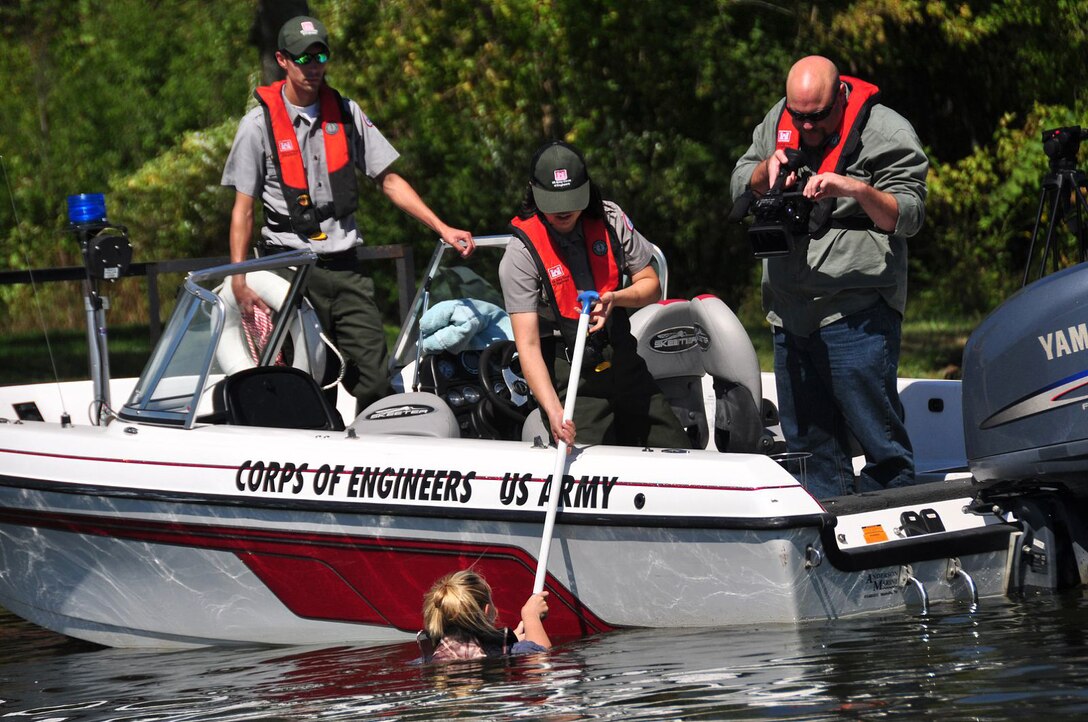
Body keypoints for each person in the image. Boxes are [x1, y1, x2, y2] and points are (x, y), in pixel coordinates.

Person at [222, 15, 474, 412]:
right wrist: (238, 280)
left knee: (374, 375)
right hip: (287, 269)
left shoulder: (346, 113)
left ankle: (373, 448)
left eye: (320, 55)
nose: (314, 66)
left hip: (345, 268)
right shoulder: (257, 126)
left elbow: (388, 180)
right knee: (308, 377)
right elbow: (243, 210)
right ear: (283, 60)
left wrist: (441, 227)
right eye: (304, 58)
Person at [730, 55, 929, 498]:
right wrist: (766, 171)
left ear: (840, 96)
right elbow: (739, 181)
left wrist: (853, 188)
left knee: (881, 440)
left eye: (817, 117)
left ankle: (894, 527)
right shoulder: (779, 120)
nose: (807, 127)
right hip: (788, 311)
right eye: (799, 116)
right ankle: (827, 536)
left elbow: (910, 215)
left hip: (855, 310)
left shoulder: (887, 132)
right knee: (807, 446)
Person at [499, 141, 691, 449]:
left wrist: (616, 298)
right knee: (590, 470)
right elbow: (529, 344)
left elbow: (650, 284)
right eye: (553, 200)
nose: (563, 210)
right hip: (571, 375)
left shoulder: (610, 220)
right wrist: (553, 410)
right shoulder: (521, 254)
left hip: (623, 360)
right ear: (534, 194)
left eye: (571, 199)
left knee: (677, 453)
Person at [418, 570, 551, 662]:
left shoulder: (433, 657)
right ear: (487, 611)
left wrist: (513, 637)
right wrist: (531, 617)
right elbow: (542, 657)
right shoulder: (505, 652)